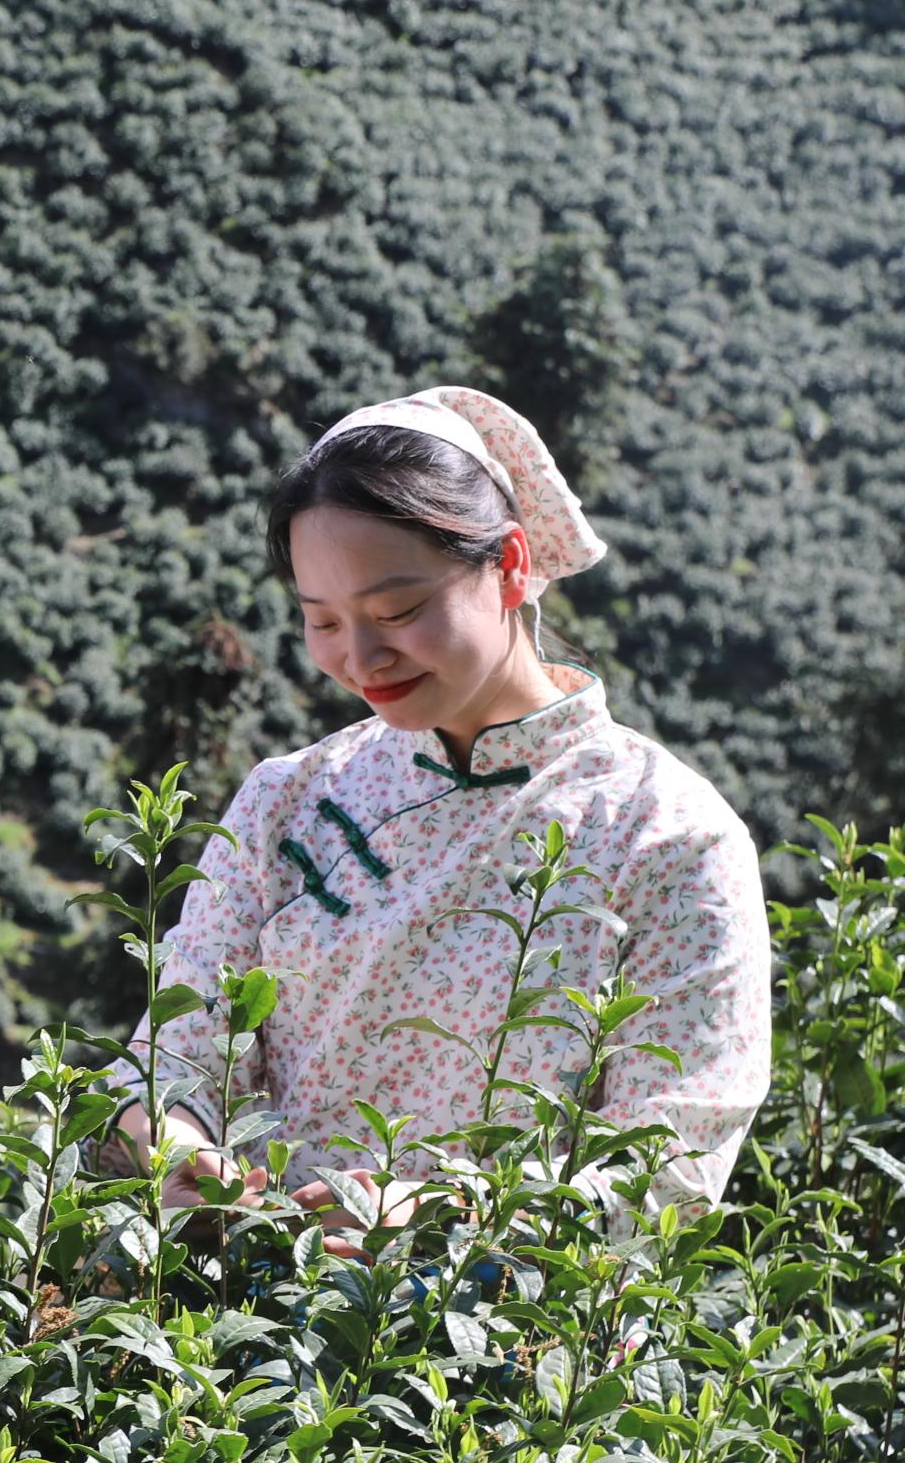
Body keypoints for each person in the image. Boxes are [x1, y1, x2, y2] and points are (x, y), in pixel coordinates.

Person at [119, 385, 770, 1246]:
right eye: (323, 622)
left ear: (509, 565)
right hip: (248, 1311)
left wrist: (442, 1224)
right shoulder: (287, 799)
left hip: (511, 1326)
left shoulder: (668, 835)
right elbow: (170, 1063)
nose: (362, 658)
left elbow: (672, 1168)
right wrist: (175, 1146)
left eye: (398, 612)